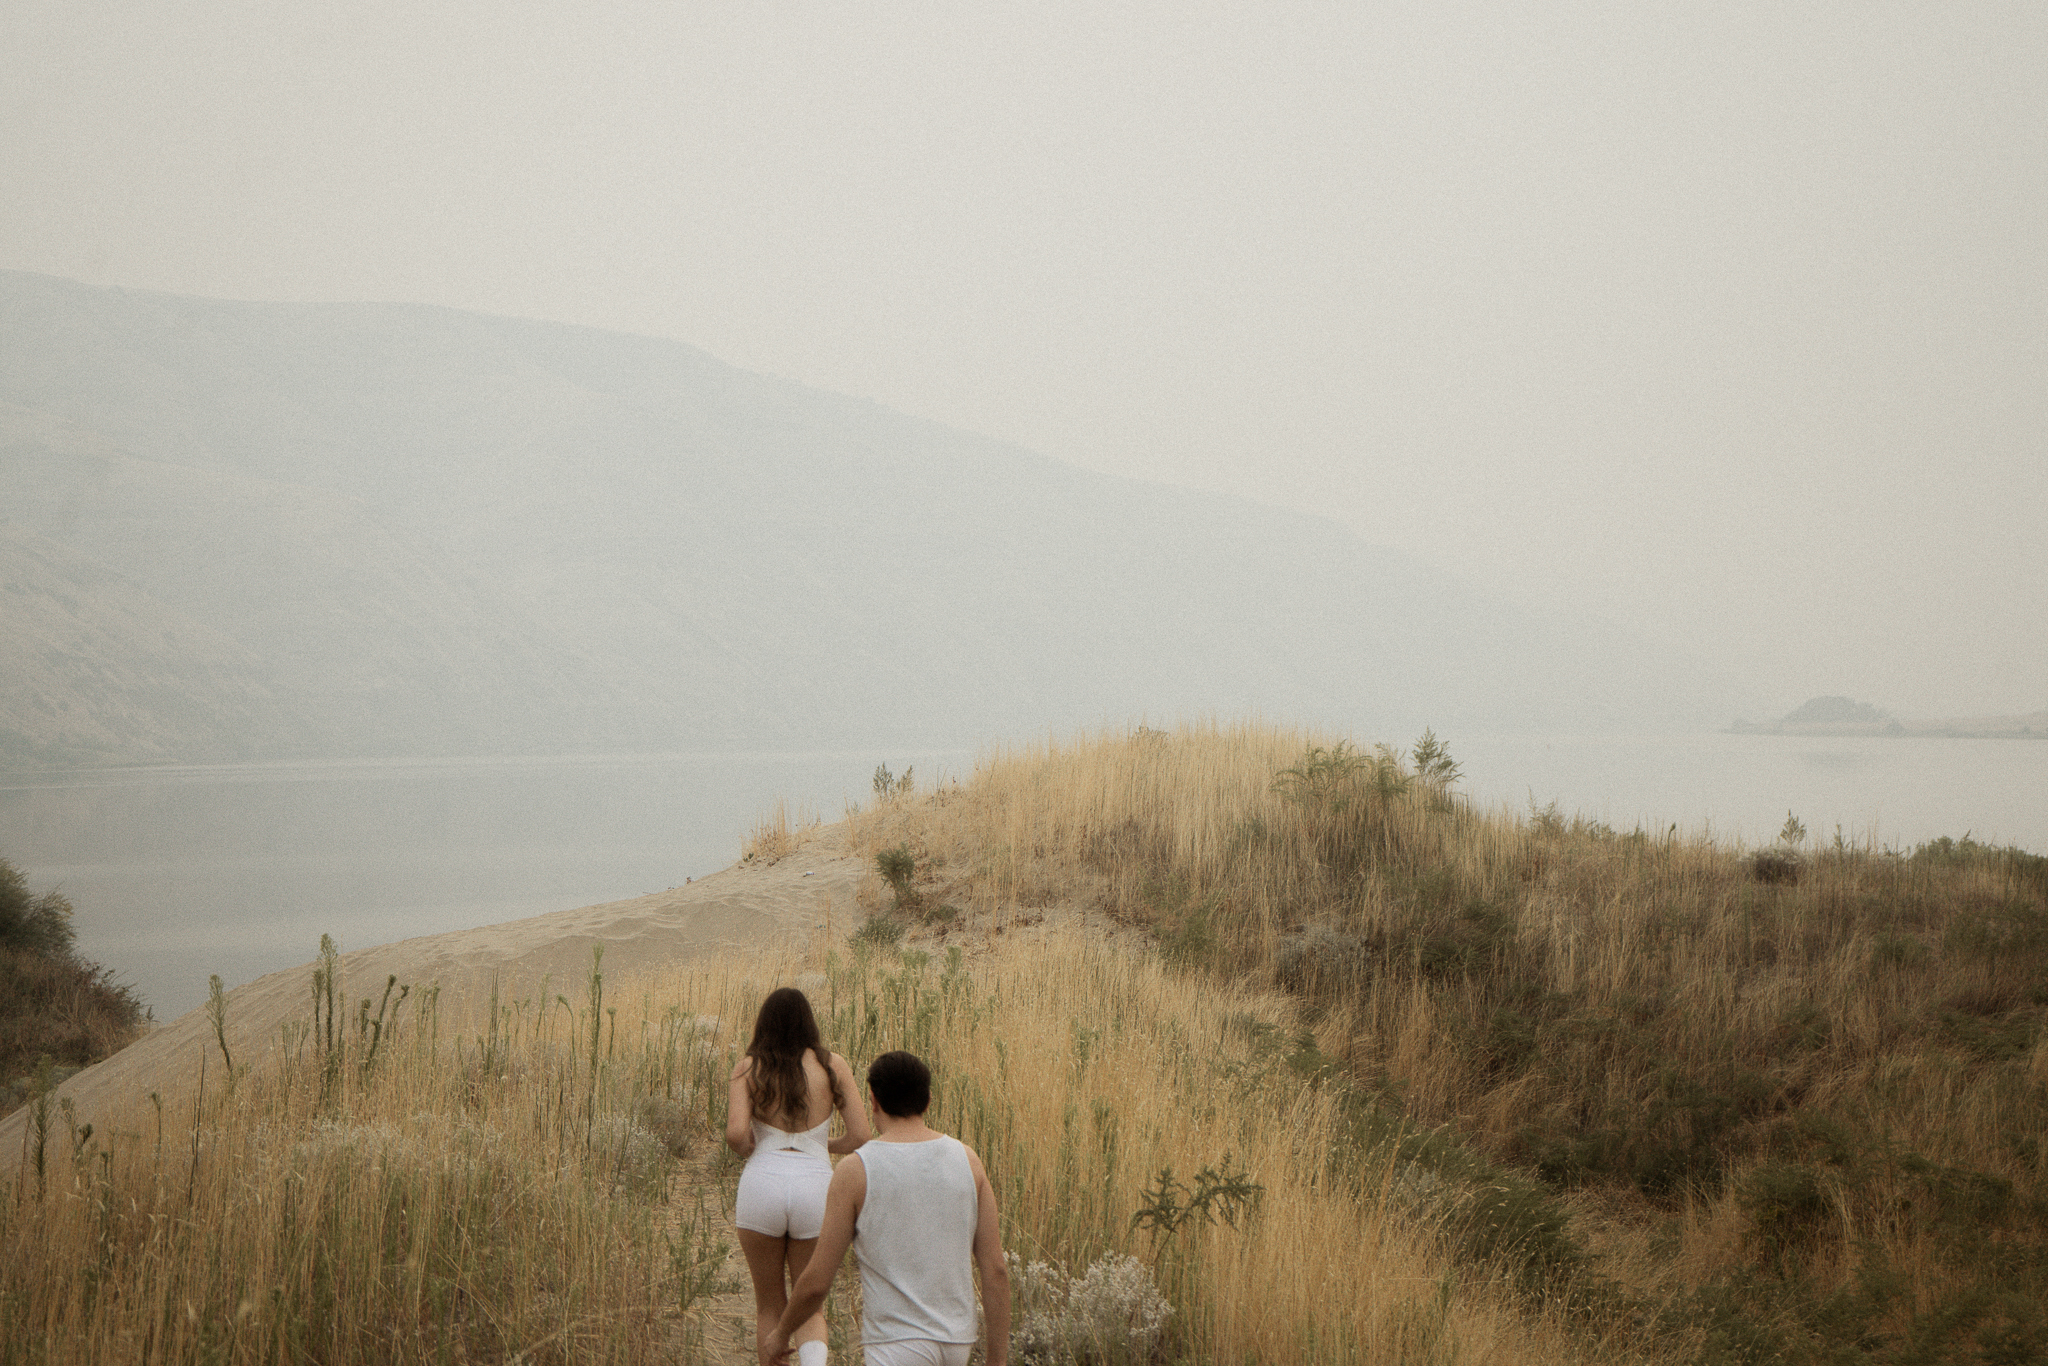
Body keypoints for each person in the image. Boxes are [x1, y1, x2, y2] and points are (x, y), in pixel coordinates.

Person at [763, 1050, 1010, 1366]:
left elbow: (816, 1282)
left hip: (895, 1345)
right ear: (928, 1100)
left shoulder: (856, 1170)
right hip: (956, 1343)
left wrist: (781, 1332)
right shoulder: (969, 1161)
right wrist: (997, 1360)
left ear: (874, 1102)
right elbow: (996, 1271)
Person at [729, 986, 872, 1366]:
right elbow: (861, 1136)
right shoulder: (831, 1066)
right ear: (808, 1023)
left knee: (769, 1308)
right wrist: (822, 1146)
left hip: (762, 1183)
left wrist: (752, 1148)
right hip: (815, 1186)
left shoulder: (748, 1067)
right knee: (810, 1308)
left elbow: (734, 1133)